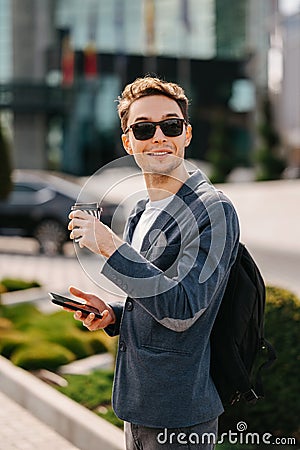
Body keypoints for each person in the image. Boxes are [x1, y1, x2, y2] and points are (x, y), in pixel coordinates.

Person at [68, 76, 240, 449]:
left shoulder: (214, 210)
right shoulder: (139, 211)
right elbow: (153, 294)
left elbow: (183, 309)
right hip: (136, 406)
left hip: (180, 415)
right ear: (128, 142)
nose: (159, 136)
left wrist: (112, 248)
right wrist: (114, 314)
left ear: (187, 135)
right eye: (144, 129)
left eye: (171, 125)